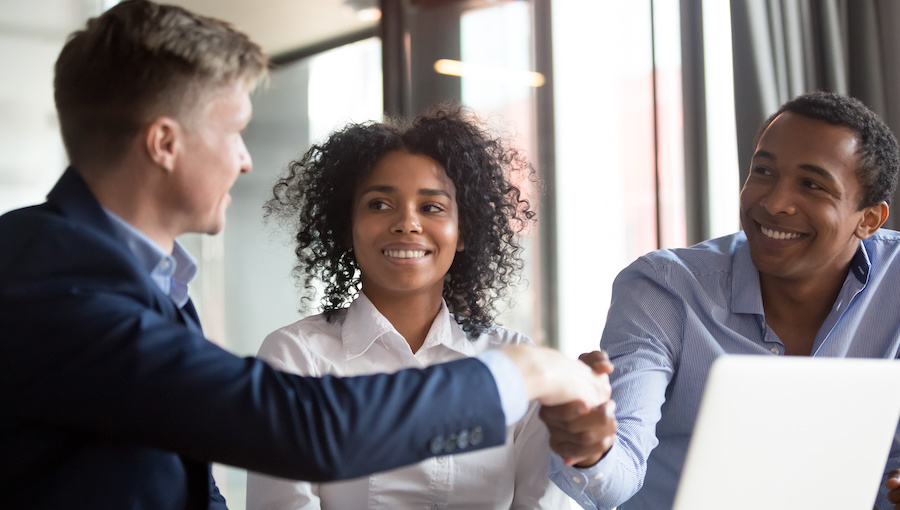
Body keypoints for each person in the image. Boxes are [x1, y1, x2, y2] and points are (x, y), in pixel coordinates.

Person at [0, 2, 611, 509]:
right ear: (165, 143)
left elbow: (193, 489)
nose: (244, 159)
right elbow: (306, 428)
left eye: (433, 207)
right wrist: (528, 371)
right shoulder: (50, 277)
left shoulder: (147, 280)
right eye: (234, 129)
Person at [541, 90, 900, 510]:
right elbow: (619, 471)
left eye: (812, 184)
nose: (773, 202)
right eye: (763, 171)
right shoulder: (664, 288)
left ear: (869, 219)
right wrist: (592, 449)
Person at [246, 106, 571, 509]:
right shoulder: (296, 357)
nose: (407, 223)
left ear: (464, 231)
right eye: (380, 204)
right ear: (346, 227)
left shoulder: (513, 361)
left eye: (432, 207)